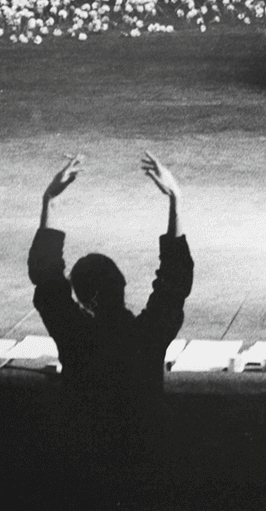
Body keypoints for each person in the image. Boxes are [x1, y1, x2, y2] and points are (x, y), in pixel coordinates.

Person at [28, 151, 193, 504]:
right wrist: (175, 199)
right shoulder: (147, 335)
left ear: (86, 300)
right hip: (145, 466)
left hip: (84, 467)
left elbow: (47, 280)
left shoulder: (76, 335)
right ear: (120, 285)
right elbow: (175, 282)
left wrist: (49, 203)